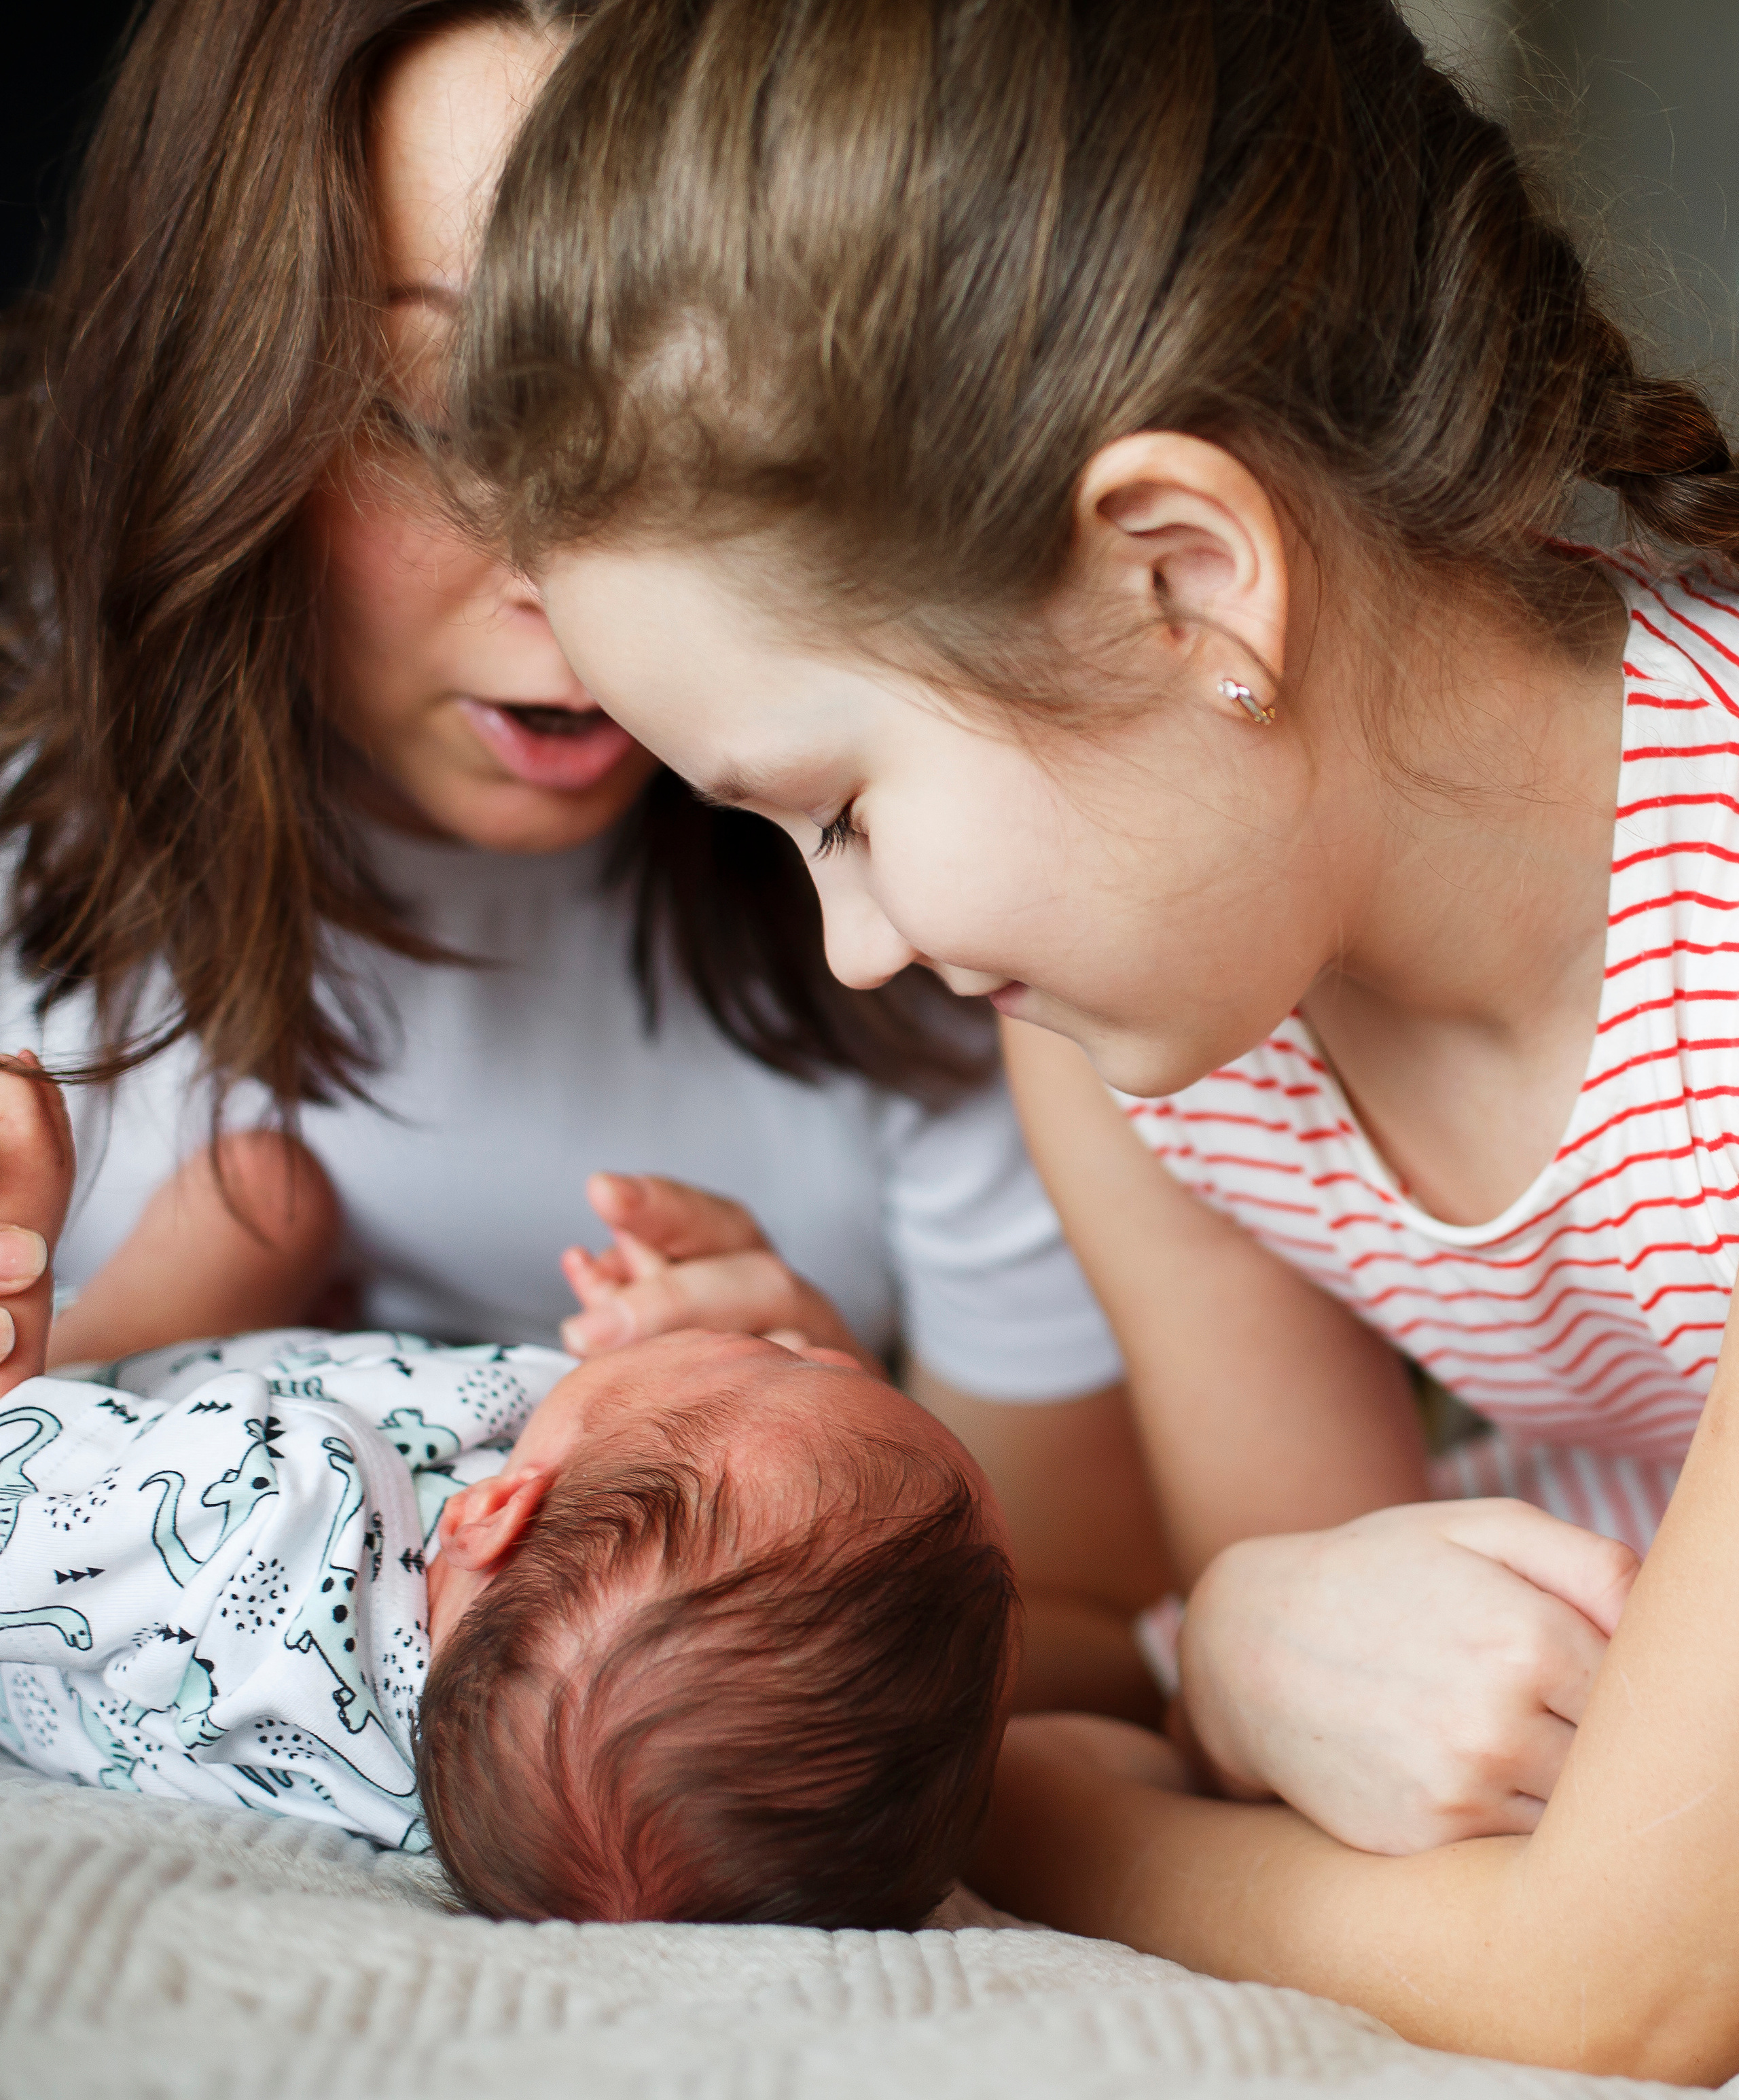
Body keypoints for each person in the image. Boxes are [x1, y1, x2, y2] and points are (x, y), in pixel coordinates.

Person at [452, 0, 1739, 2072]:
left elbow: (1612, 1986)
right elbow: (1308, 1699)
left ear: (1183, 580)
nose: (855, 945)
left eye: (842, 810)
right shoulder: (1162, 1038)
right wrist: (1236, 1651)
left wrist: (1006, 1799)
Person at [0, 0, 1158, 1720]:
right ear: (216, 386)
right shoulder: (36, 781)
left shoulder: (950, 910)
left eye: (698, 417)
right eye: (451, 415)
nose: (580, 572)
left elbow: (1099, 1640)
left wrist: (853, 1475)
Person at [0, 1061, 1017, 1928]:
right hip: (282, 1401)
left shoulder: (261, 1531)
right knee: (270, 1193)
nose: (832, 1354)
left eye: (772, 1359)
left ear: (489, 1510)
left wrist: (22, 1243)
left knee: (259, 1192)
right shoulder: (502, 1781)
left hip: (84, 1428)